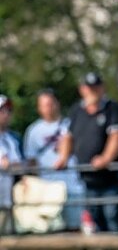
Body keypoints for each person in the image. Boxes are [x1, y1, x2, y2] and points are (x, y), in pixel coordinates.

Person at [56, 73, 118, 232]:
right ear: (82, 89)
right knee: (95, 214)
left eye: (96, 88)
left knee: (112, 213)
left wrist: (106, 158)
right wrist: (63, 158)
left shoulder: (113, 109)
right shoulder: (76, 110)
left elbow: (117, 136)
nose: (92, 92)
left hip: (111, 176)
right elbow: (68, 137)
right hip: (88, 176)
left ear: (102, 88)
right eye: (89, 88)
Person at [22, 89, 83, 229]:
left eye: (50, 104)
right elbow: (31, 160)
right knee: (50, 227)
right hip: (47, 188)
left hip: (72, 185)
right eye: (44, 105)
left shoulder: (70, 125)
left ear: (57, 104)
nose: (48, 108)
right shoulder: (34, 131)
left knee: (74, 227)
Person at [0, 95, 22, 233]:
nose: (6, 114)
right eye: (2, 110)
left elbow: (18, 166)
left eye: (8, 110)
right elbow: (8, 165)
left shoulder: (12, 138)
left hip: (7, 199)